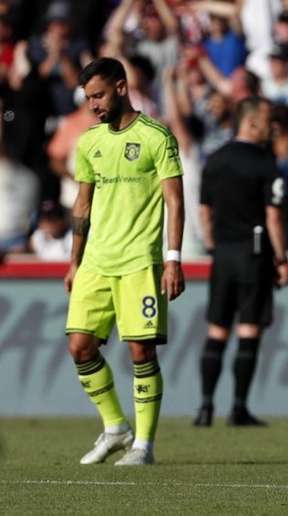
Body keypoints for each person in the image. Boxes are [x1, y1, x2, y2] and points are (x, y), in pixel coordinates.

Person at [64, 58, 184, 466]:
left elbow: (174, 199)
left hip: (139, 261)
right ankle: (116, 427)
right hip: (96, 260)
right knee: (80, 347)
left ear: (120, 87)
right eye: (87, 99)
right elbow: (82, 203)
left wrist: (173, 259)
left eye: (97, 95)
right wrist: (73, 262)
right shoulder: (88, 142)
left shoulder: (156, 136)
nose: (93, 105)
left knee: (140, 352)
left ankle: (144, 446)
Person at [194, 96, 288, 427]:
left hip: (222, 254)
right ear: (250, 122)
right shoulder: (265, 164)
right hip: (254, 252)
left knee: (217, 330)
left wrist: (211, 243)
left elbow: (204, 209)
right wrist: (281, 258)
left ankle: (205, 406)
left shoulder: (215, 160)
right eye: (266, 120)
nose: (272, 127)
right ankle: (238, 408)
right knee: (248, 329)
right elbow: (273, 217)